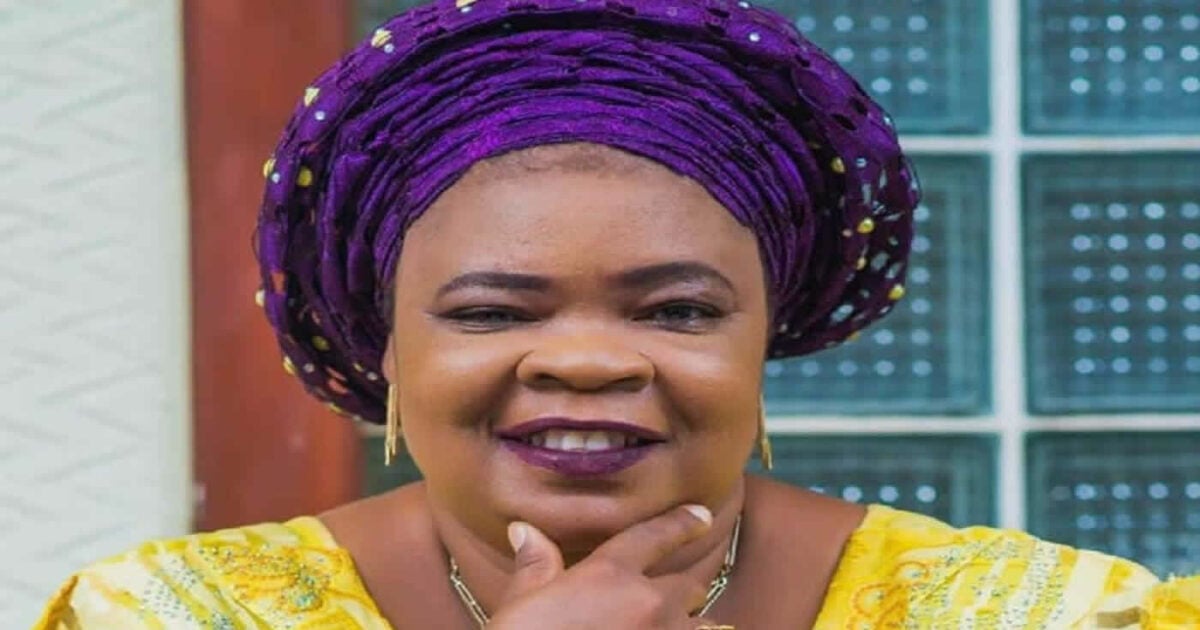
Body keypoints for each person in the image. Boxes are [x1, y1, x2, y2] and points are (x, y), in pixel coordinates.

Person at [35, 0, 1198, 627]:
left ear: (765, 333)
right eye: (493, 313)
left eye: (678, 310)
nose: (587, 361)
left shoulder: (1034, 618)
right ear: (385, 346)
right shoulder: (166, 620)